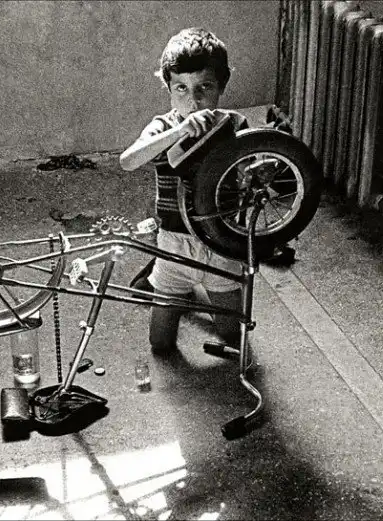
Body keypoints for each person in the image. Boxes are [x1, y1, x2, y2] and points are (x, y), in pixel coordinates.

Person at [119, 27, 249, 354]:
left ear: (222, 85)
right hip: (174, 246)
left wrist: (260, 172)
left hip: (221, 243)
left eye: (205, 87)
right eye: (181, 88)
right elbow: (128, 161)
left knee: (233, 335)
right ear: (168, 88)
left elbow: (256, 168)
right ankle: (174, 285)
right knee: (160, 344)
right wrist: (177, 132)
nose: (193, 101)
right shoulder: (163, 126)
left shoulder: (234, 124)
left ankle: (195, 292)